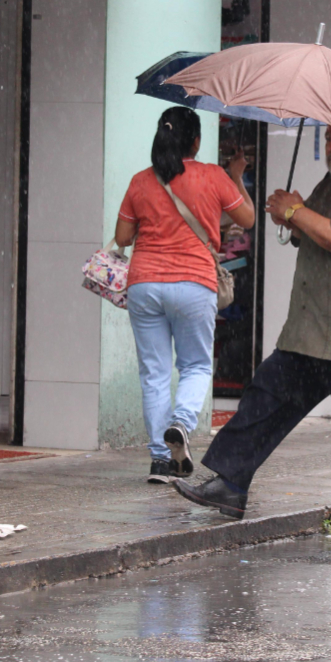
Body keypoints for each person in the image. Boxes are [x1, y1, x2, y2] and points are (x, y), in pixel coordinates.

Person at [173, 126, 331, 555]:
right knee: (268, 393)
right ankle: (231, 483)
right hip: (318, 327)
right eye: (329, 137)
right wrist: (288, 214)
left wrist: (296, 212)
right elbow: (310, 228)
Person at [115, 107, 255, 484]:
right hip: (194, 282)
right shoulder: (212, 176)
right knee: (195, 366)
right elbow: (248, 219)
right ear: (195, 140)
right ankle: (181, 422)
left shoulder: (140, 182)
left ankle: (161, 461)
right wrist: (237, 176)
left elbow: (124, 238)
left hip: (144, 284)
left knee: (155, 374)